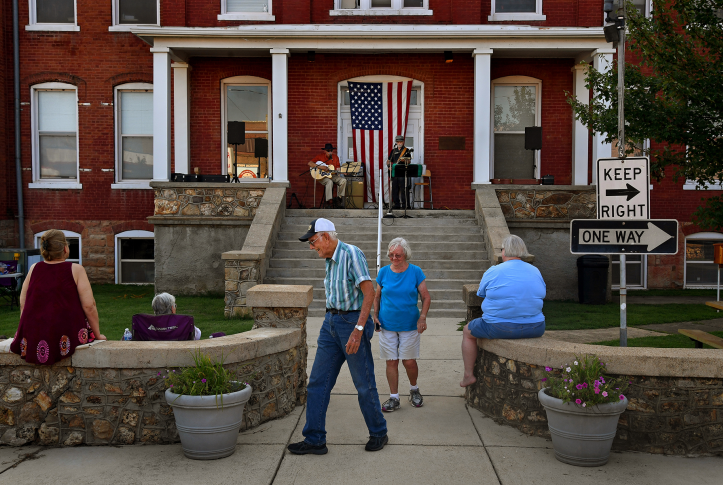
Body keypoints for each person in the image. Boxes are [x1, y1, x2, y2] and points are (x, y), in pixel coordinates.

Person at [288, 218, 388, 455]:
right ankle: (314, 439)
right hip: (330, 323)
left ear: (325, 236)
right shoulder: (329, 259)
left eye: (313, 242)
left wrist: (359, 330)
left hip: (351, 323)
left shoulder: (351, 254)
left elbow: (369, 293)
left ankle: (378, 433)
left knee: (363, 384)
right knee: (317, 384)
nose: (312, 247)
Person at [460, 235, 546, 388]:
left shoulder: (494, 271)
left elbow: (481, 293)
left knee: (467, 332)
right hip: (536, 327)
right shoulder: (535, 271)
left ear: (505, 251)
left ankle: (468, 375)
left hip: (499, 327)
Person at [10, 229, 106, 365]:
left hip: (34, 334)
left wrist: (26, 331)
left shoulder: (34, 268)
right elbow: (89, 306)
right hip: (65, 334)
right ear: (65, 248)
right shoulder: (76, 269)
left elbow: (23, 302)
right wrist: (98, 335)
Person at [373, 238, 431, 411]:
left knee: (409, 361)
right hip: (386, 324)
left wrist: (422, 317)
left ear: (405, 254)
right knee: (391, 361)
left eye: (397, 255)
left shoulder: (415, 271)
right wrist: (375, 315)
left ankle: (414, 389)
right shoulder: (383, 272)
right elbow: (377, 296)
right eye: (391, 255)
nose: (394, 258)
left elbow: (426, 296)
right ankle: (394, 397)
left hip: (409, 324)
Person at [308, 143, 347, 208]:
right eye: (328, 150)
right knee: (329, 182)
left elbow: (337, 169)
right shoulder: (320, 156)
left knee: (343, 180)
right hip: (322, 176)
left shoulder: (335, 157)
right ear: (325, 151)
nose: (330, 152)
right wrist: (321, 167)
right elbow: (310, 163)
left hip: (332, 175)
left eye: (331, 150)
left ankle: (339, 198)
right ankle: (328, 201)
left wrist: (342, 172)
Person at [386, 135, 414, 209]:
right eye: (398, 142)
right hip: (395, 172)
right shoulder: (393, 151)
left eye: (401, 141)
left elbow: (409, 161)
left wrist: (404, 160)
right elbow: (389, 160)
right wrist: (389, 166)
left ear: (403, 142)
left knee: (403, 188)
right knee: (395, 188)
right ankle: (396, 204)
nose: (399, 143)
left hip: (403, 172)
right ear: (396, 142)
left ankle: (405, 205)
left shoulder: (406, 150)